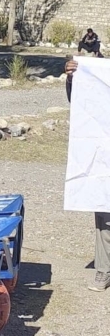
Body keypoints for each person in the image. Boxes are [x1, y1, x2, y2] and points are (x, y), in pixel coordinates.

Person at [65, 58, 110, 291]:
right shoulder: (103, 72)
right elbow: (86, 103)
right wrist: (75, 79)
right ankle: (105, 268)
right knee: (105, 210)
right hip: (106, 153)